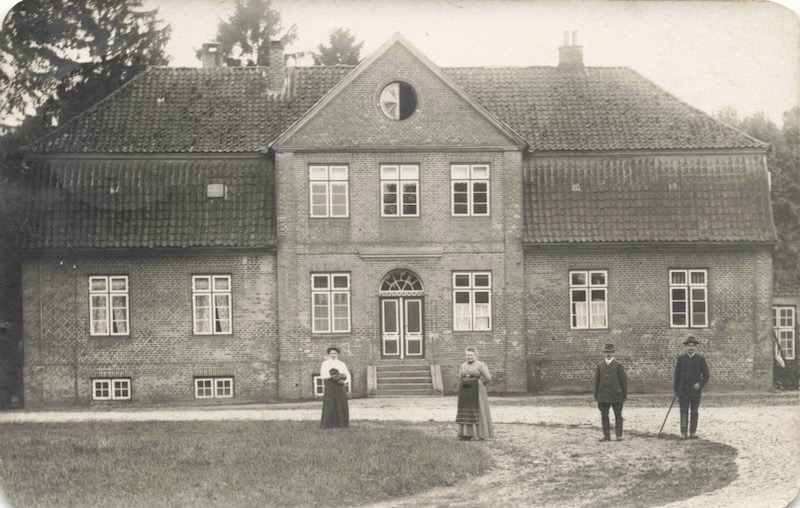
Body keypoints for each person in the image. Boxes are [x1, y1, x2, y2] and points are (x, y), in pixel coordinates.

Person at [673, 336, 710, 439]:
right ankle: (683, 432)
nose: (690, 348)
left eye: (693, 346)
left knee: (694, 411)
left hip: (695, 391)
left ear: (696, 347)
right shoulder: (681, 359)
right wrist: (676, 390)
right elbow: (677, 376)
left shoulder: (700, 360)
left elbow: (706, 375)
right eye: (688, 345)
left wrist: (700, 384)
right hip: (683, 391)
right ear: (686, 347)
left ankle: (692, 432)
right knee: (683, 411)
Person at [455, 347, 493, 440]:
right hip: (465, 391)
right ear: (465, 356)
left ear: (476, 355)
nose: (469, 357)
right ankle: (465, 434)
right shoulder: (463, 365)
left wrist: (480, 384)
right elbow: (459, 376)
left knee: (476, 409)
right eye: (468, 355)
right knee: (465, 409)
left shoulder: (480, 365)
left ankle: (479, 433)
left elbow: (488, 378)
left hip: (476, 390)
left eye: (471, 355)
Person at [594, 343, 628, 442]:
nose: (608, 354)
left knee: (618, 415)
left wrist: (624, 395)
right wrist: (596, 395)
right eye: (607, 352)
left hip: (616, 395)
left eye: (610, 352)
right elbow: (596, 381)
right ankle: (606, 435)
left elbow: (623, 381)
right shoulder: (600, 366)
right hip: (603, 395)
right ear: (604, 353)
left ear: (613, 353)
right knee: (604, 415)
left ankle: (618, 435)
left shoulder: (618, 366)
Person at [320, 346, 350, 429]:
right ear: (329, 354)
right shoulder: (325, 363)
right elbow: (322, 375)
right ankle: (328, 424)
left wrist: (344, 381)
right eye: (331, 353)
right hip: (330, 385)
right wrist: (332, 376)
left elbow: (347, 375)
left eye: (335, 353)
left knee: (340, 403)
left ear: (338, 354)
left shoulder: (341, 363)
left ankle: (342, 424)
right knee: (330, 403)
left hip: (339, 385)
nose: (333, 355)